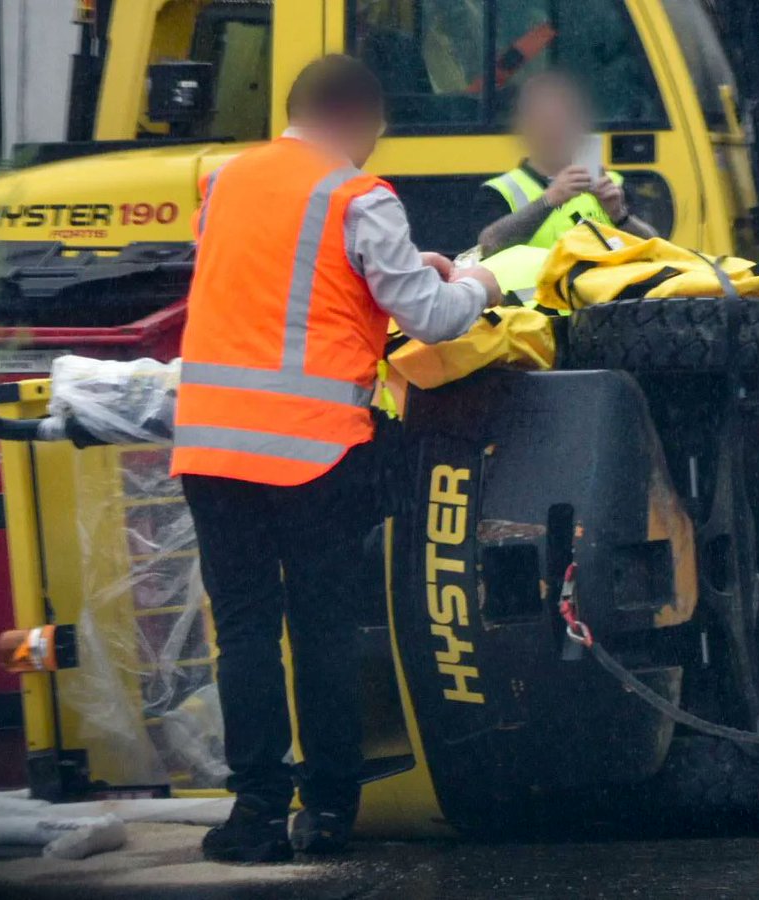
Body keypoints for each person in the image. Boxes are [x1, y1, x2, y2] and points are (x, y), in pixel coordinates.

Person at [170, 54, 501, 863]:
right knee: (322, 630)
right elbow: (431, 319)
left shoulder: (223, 182)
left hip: (210, 444)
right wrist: (479, 285)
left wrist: (404, 273)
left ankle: (254, 814)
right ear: (356, 117)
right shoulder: (358, 196)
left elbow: (280, 288)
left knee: (245, 631)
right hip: (310, 450)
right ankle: (326, 812)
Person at [475, 71, 658, 259]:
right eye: (546, 119)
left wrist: (620, 215)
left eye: (565, 118)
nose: (557, 128)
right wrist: (548, 201)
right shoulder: (502, 190)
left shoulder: (612, 183)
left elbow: (656, 247)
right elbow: (487, 247)